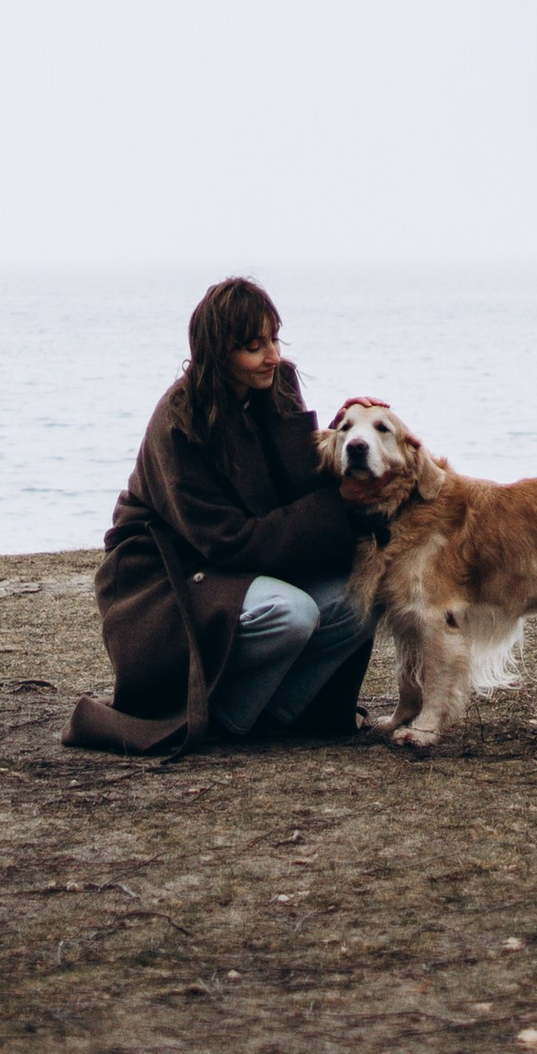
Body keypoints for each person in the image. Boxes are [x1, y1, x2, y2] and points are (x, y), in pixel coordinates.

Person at [64, 277, 381, 755]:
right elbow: (228, 541)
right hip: (164, 577)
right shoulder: (179, 420)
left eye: (274, 339)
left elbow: (301, 480)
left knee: (367, 596)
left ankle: (281, 714)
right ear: (218, 351)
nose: (273, 356)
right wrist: (339, 505)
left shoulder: (275, 385)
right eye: (254, 347)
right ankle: (228, 720)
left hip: (243, 564)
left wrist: (344, 429)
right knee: (293, 614)